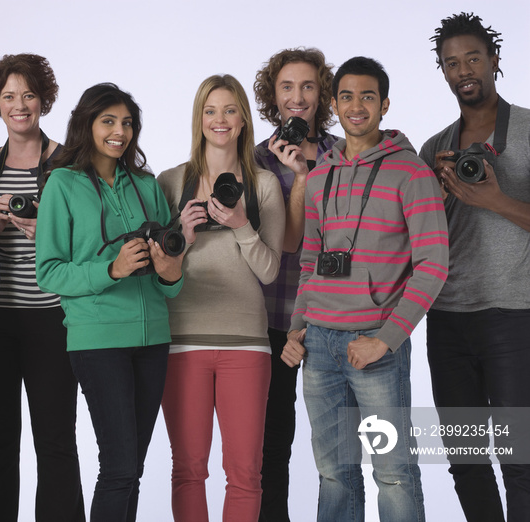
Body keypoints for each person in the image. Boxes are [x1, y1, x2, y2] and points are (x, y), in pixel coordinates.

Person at [281, 57, 449, 522]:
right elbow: (310, 261)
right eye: (347, 96)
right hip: (318, 347)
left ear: (385, 104)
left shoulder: (412, 174)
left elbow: (433, 266)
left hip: (376, 344)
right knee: (334, 473)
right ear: (333, 104)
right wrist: (298, 330)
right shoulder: (318, 177)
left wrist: (386, 340)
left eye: (368, 97)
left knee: (393, 472)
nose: (357, 107)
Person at [36, 82, 184, 522]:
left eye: (127, 123)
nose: (119, 131)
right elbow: (49, 272)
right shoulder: (61, 184)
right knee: (119, 466)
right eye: (108, 121)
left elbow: (170, 282)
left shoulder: (146, 184)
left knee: (131, 468)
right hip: (97, 340)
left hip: (154, 338)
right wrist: (111, 269)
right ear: (87, 124)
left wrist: (170, 273)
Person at [0, 54, 84, 522]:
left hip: (54, 316)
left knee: (55, 437)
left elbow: (92, 239)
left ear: (44, 100)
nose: (19, 105)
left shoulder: (69, 164)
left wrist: (45, 233)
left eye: (28, 95)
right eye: (9, 96)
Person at [158, 74, 285, 522]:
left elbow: (270, 271)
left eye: (230, 110)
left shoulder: (265, 185)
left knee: (246, 472)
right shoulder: (170, 181)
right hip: (181, 342)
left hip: (247, 344)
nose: (220, 119)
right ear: (199, 119)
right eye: (210, 111)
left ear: (243, 118)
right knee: (188, 470)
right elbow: (159, 268)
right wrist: (184, 236)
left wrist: (240, 225)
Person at [420, 13, 530, 522]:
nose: (463, 70)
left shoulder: (528, 129)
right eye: (451, 63)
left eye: (472, 58)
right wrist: (438, 195)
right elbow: (420, 240)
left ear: (494, 61)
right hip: (447, 319)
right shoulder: (434, 148)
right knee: (465, 459)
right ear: (442, 72)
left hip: (513, 315)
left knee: (521, 458)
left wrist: (495, 198)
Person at [252, 47, 339, 522]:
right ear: (274, 95)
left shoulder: (342, 154)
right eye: (287, 86)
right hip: (270, 318)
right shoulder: (254, 159)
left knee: (338, 445)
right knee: (272, 442)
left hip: (328, 317)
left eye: (308, 86)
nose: (298, 97)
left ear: (321, 93)